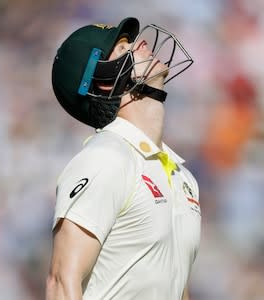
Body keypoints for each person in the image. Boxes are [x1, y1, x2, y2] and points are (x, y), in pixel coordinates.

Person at [46, 17, 201, 300]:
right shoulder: (106, 158)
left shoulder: (181, 175)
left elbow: (176, 286)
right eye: (122, 48)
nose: (141, 43)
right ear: (104, 82)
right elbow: (61, 281)